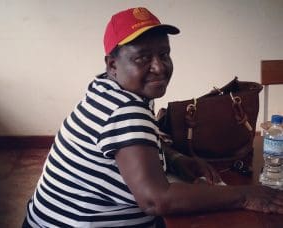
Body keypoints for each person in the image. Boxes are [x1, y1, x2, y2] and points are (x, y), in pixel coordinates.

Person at [23, 7, 283, 228]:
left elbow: (123, 148)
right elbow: (156, 200)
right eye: (143, 58)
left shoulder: (106, 90)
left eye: (164, 54)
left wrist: (175, 158)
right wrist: (243, 196)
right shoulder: (125, 111)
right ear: (112, 65)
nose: (159, 67)